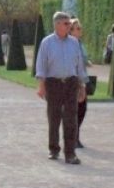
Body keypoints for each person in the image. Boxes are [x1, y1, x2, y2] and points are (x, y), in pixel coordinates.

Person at [36, 11, 87, 165]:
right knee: (54, 117)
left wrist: (82, 85)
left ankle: (70, 153)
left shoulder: (74, 42)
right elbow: (41, 65)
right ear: (57, 24)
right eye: (66, 24)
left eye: (70, 24)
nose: (69, 26)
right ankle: (54, 148)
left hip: (71, 83)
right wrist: (41, 86)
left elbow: (79, 65)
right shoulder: (46, 42)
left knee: (71, 118)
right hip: (53, 83)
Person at [69, 19, 93, 149]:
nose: (80, 31)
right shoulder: (69, 44)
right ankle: (74, 138)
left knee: (82, 109)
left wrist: (87, 61)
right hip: (74, 80)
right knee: (76, 110)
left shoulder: (79, 43)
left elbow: (81, 59)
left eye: (80, 28)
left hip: (82, 79)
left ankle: (75, 136)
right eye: (77, 28)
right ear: (71, 31)